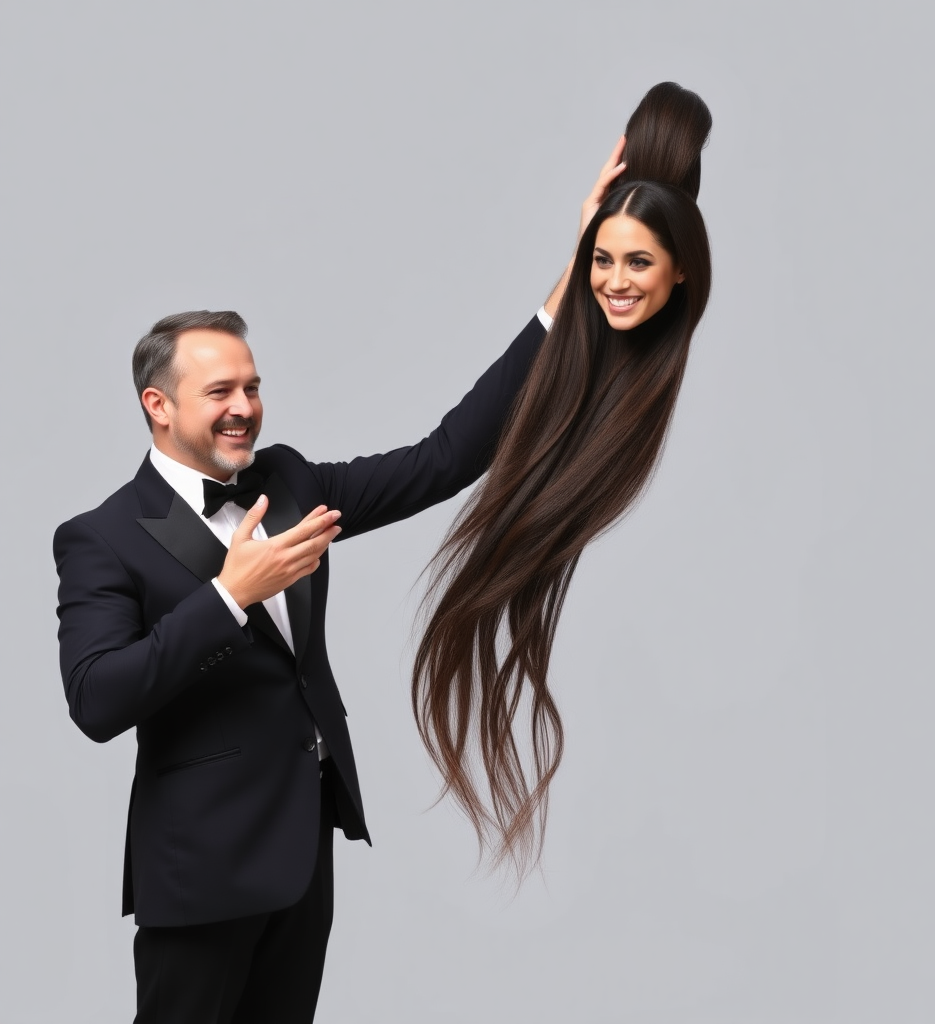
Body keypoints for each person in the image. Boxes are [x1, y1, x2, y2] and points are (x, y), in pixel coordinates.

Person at [52, 142, 627, 1018]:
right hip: (200, 876)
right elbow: (98, 700)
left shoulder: (290, 482)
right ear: (157, 406)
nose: (245, 406)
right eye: (220, 392)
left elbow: (447, 457)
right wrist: (228, 595)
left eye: (253, 385)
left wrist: (573, 278)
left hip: (300, 857)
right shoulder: (101, 538)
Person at [413, 83, 714, 875]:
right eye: (602, 261)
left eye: (639, 263)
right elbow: (450, 457)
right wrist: (577, 254)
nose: (615, 281)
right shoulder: (581, 344)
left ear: (682, 272)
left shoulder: (645, 393)